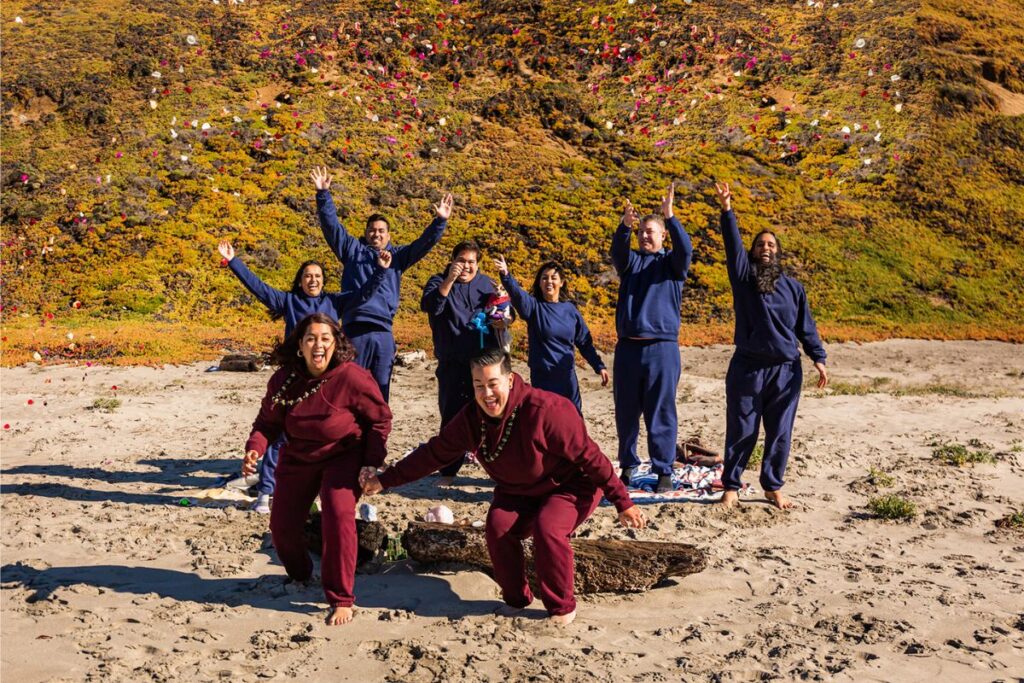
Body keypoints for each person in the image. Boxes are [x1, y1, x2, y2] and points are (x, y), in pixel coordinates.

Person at [359, 347, 646, 625]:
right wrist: (384, 481)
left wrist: (623, 502)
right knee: (497, 527)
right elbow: (432, 454)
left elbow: (591, 457)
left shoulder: (547, 410)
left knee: (548, 528)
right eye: (478, 385)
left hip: (571, 485)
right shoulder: (471, 419)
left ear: (509, 379)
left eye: (493, 384)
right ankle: (517, 600)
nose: (486, 394)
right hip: (518, 491)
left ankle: (561, 608)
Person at [242, 312, 392, 625]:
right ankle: (301, 576)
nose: (318, 345)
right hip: (297, 457)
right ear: (300, 345)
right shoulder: (285, 380)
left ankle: (341, 598)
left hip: (343, 456)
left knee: (337, 515)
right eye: (311, 338)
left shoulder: (352, 377)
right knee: (282, 528)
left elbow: (380, 419)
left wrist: (371, 461)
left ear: (336, 344)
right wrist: (255, 449)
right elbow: (267, 423)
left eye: (325, 338)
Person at [218, 242, 387, 513]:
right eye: (308, 276)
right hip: (297, 376)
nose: (313, 280)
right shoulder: (289, 301)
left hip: (328, 379)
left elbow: (364, 294)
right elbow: (259, 288)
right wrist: (234, 262)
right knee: (281, 433)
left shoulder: (334, 301)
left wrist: (380, 270)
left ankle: (318, 490)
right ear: (300, 280)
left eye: (318, 276)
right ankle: (265, 492)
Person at [714, 183, 827, 509]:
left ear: (778, 252)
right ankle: (731, 487)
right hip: (748, 368)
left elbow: (806, 326)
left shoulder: (794, 288)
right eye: (760, 244)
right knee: (742, 429)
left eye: (771, 244)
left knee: (780, 433)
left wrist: (818, 358)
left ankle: (772, 486)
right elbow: (732, 246)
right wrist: (727, 210)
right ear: (753, 251)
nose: (766, 247)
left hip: (786, 370)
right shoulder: (744, 278)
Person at [313, 166, 453, 402]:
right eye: (372, 230)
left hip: (383, 333)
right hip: (354, 331)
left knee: (379, 395)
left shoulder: (397, 257)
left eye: (381, 231)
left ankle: (376, 438)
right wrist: (323, 194)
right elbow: (331, 226)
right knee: (349, 391)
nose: (376, 235)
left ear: (388, 236)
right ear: (366, 233)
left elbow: (423, 244)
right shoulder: (351, 250)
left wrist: (440, 221)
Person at [610, 184, 693, 493]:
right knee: (626, 411)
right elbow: (618, 252)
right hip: (629, 347)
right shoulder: (631, 263)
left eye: (651, 232)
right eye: (642, 232)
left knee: (661, 410)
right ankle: (628, 466)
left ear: (662, 237)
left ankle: (663, 471)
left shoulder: (672, 264)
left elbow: (686, 249)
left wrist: (670, 216)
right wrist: (624, 227)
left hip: (662, 348)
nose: (645, 236)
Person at [420, 240, 500, 483]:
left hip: (483, 361)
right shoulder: (438, 280)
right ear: (452, 261)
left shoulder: (485, 284)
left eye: (471, 262)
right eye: (461, 261)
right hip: (452, 362)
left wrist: (502, 309)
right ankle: (448, 470)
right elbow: (431, 306)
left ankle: (497, 468)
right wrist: (449, 281)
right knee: (452, 416)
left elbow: (503, 313)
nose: (466, 266)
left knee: (490, 415)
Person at [494, 257, 609, 414]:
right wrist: (506, 275)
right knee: (545, 421)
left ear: (561, 283)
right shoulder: (533, 308)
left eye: (554, 278)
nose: (549, 281)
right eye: (544, 278)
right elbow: (518, 295)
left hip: (567, 377)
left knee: (572, 420)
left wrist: (599, 366)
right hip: (543, 378)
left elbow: (584, 342)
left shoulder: (570, 310)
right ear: (539, 283)